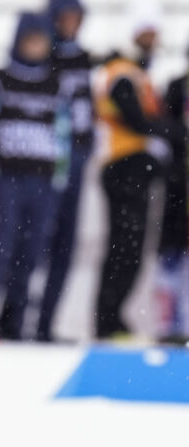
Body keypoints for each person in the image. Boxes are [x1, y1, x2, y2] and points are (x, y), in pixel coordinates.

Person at [0, 12, 67, 340]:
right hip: (6, 181)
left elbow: (67, 136)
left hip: (42, 185)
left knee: (31, 253)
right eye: (30, 39)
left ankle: (13, 324)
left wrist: (57, 181)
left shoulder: (57, 85)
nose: (36, 46)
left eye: (42, 40)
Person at [92, 2, 175, 339]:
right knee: (123, 248)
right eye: (145, 33)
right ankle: (108, 322)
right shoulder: (121, 72)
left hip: (135, 170)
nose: (151, 40)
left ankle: (113, 320)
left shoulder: (138, 73)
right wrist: (163, 134)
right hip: (123, 169)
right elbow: (135, 117)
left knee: (130, 249)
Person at [35, 0, 96, 342]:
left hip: (77, 159)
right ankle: (17, 322)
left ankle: (45, 324)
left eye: (77, 17)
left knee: (64, 246)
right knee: (33, 243)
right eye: (66, 17)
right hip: (46, 163)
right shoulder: (43, 54)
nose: (72, 23)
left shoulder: (83, 57)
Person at [155, 44, 189, 341]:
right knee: (171, 252)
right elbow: (166, 129)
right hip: (178, 182)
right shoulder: (177, 87)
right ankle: (169, 324)